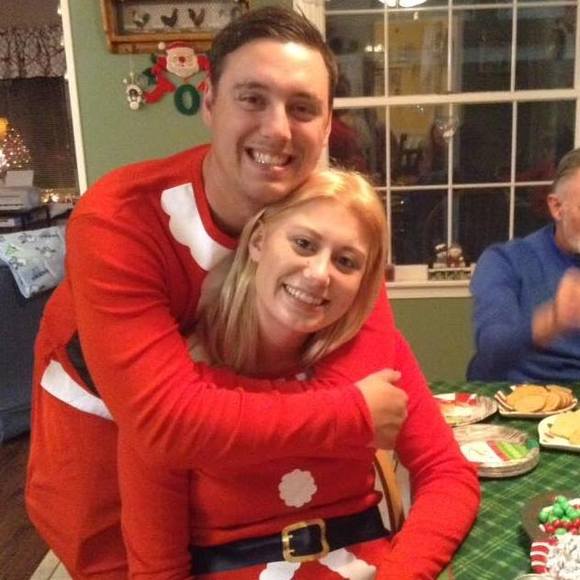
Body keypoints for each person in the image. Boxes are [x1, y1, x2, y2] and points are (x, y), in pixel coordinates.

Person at [26, 8, 409, 579]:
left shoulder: (332, 226)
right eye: (252, 98)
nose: (278, 129)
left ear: (328, 126)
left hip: (237, 501)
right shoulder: (119, 220)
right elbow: (163, 421)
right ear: (209, 103)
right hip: (102, 480)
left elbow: (365, 368)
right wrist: (350, 414)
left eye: (302, 108)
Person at [118, 169, 480, 579]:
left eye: (346, 262)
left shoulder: (376, 354)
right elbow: (156, 566)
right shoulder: (174, 377)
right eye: (304, 244)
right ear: (258, 241)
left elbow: (448, 474)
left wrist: (402, 573)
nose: (320, 274)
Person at [469, 147, 580, 383]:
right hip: (518, 392)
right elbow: (492, 348)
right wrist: (553, 320)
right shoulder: (505, 261)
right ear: (556, 207)